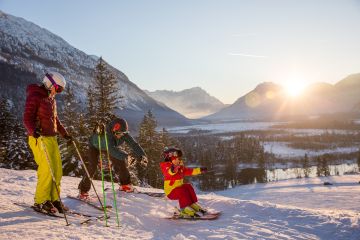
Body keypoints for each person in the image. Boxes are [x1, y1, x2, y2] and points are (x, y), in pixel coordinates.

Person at [23, 71, 72, 214]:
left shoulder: (51, 99)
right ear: (50, 83)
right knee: (46, 169)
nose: (58, 92)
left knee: (56, 170)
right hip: (39, 138)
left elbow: (54, 120)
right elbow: (27, 118)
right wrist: (34, 131)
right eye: (58, 88)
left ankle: (54, 199)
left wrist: (65, 134)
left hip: (51, 138)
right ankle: (41, 201)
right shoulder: (35, 96)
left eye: (60, 90)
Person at [78, 117, 147, 199]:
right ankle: (83, 190)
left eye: (122, 133)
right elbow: (112, 151)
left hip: (110, 147)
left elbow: (133, 144)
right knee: (92, 167)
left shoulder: (123, 133)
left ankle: (125, 185)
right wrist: (127, 157)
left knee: (121, 162)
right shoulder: (107, 135)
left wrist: (142, 155)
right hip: (95, 147)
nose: (120, 135)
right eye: (119, 134)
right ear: (114, 130)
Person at [160, 147, 207, 218]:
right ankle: (184, 209)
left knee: (188, 186)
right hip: (171, 192)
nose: (177, 160)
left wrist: (199, 170)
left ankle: (191, 204)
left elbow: (190, 171)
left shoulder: (180, 167)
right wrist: (173, 169)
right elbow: (168, 172)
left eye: (178, 158)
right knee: (182, 190)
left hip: (178, 188)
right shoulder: (166, 166)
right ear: (170, 159)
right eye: (175, 159)